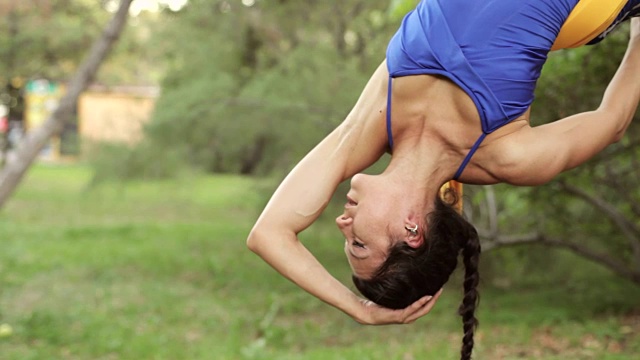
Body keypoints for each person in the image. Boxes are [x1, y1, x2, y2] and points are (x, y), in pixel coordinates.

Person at [247, 0, 640, 359]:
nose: (341, 223)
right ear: (412, 231)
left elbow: (269, 233)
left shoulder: (372, 125)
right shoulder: (506, 155)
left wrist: (358, 308)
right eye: (359, 243)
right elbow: (612, 120)